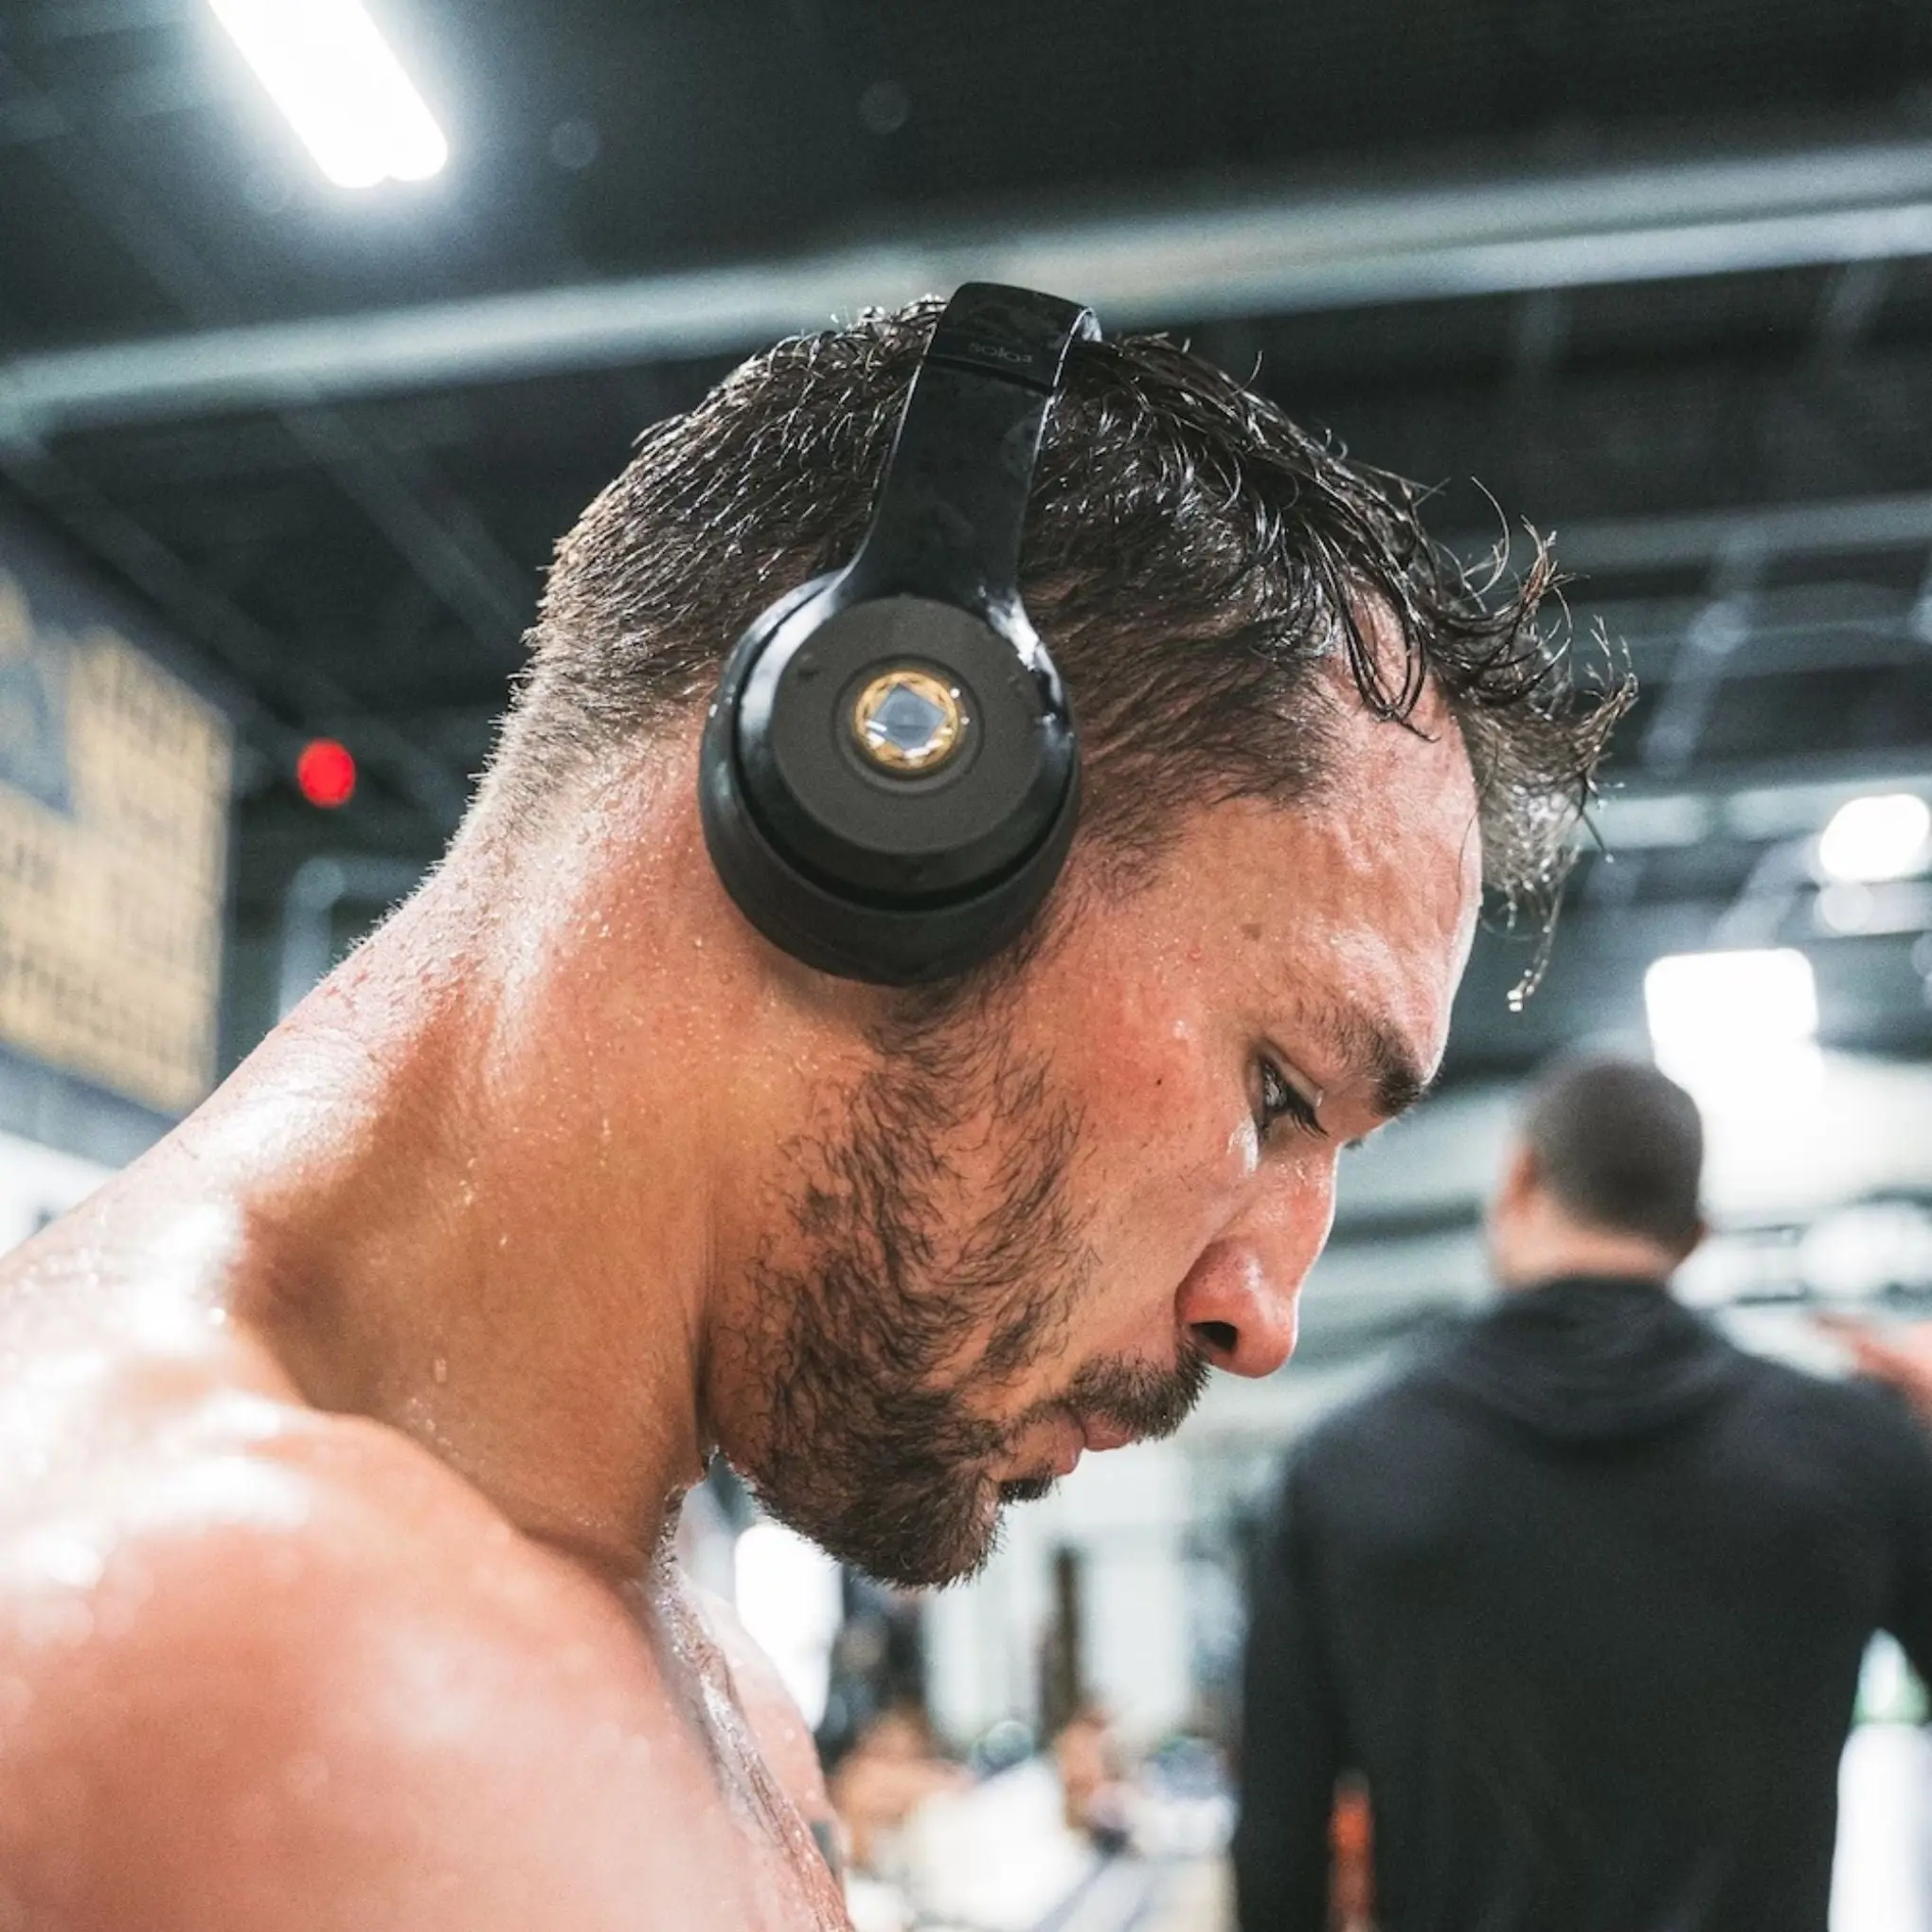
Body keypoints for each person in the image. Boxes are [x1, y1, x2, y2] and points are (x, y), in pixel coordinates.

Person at [0, 292, 1615, 1932]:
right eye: (1278, 1095)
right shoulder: (235, 1659)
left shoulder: (638, 1642)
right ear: (887, 793)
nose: (1262, 1321)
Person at [1235, 1056, 1932, 1932]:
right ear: (1694, 1235)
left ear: (1519, 1178)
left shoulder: (1344, 1472)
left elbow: (1279, 1850)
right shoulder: (1854, 1459)